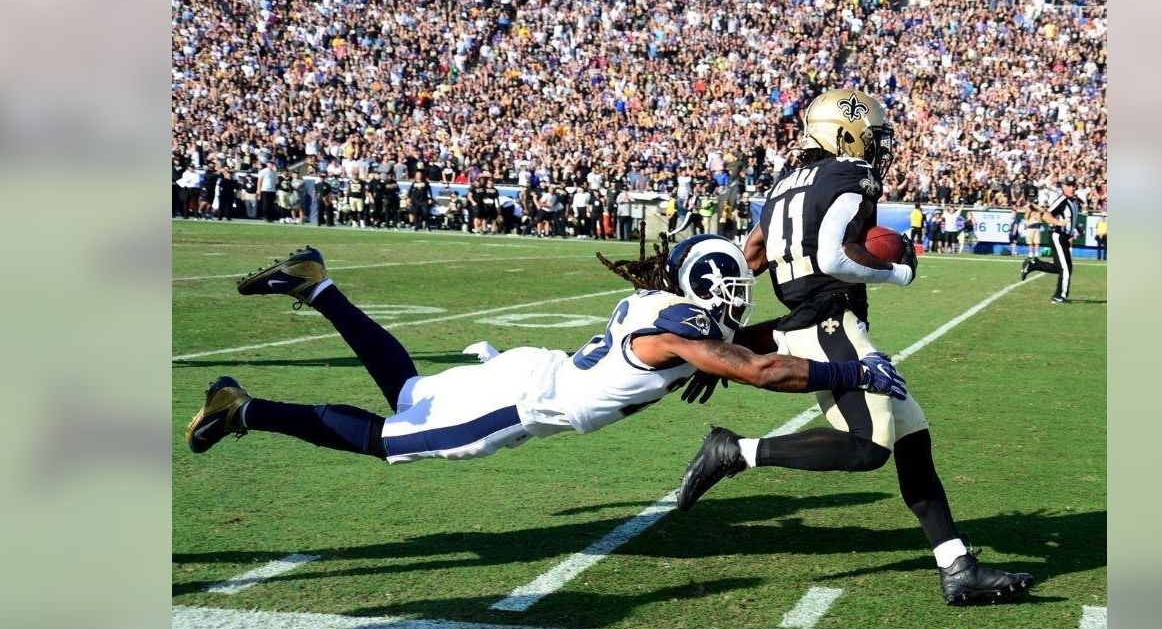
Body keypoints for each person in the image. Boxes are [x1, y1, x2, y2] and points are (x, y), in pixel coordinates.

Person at [677, 89, 1034, 606]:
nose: (878, 146)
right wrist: (898, 271)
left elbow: (751, 253)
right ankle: (737, 451)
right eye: (872, 134)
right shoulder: (850, 175)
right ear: (845, 131)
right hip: (829, 322)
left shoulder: (783, 186)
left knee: (914, 438)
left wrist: (727, 331)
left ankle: (957, 565)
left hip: (807, 317)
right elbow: (832, 258)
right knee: (868, 448)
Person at [186, 235, 907, 468]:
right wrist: (851, 368)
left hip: (534, 368)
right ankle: (245, 408)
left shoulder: (671, 305)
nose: (738, 299)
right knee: (389, 439)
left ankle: (319, 288)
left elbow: (732, 304)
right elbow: (758, 366)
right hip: (527, 400)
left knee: (408, 393)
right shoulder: (678, 327)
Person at [1021, 175, 1082, 303]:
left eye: (1073, 185)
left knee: (1063, 267)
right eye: (1069, 185)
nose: (1072, 188)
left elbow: (1071, 219)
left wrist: (1078, 229)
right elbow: (1046, 215)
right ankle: (1059, 296)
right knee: (1065, 268)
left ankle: (1033, 264)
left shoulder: (1073, 201)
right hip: (1058, 235)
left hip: (1065, 237)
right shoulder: (1062, 200)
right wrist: (1058, 223)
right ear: (1064, 187)